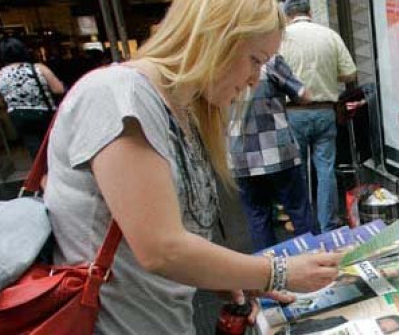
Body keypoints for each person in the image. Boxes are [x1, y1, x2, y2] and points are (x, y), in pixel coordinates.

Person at [43, 1, 342, 333]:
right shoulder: (118, 95)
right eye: (254, 60)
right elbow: (162, 249)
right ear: (216, 38)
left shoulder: (182, 108)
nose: (254, 80)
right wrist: (276, 271)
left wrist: (235, 278)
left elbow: (175, 232)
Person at [280, 0, 358, 233]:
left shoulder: (282, 38)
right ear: (310, 12)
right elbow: (350, 72)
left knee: (298, 171)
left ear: (287, 15)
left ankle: (303, 226)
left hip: (294, 113)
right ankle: (329, 225)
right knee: (326, 170)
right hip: (325, 111)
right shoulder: (329, 35)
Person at [230, 53, 317, 251]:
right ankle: (315, 266)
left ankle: (271, 275)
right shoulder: (268, 60)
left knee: (258, 217)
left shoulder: (217, 62)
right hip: (278, 152)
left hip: (240, 156)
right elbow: (304, 95)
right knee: (298, 212)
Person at [0, 36, 65, 158]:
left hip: (19, 117)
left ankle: (43, 174)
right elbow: (59, 89)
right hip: (44, 114)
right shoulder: (38, 68)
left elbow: (1, 102)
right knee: (54, 147)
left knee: (35, 151)